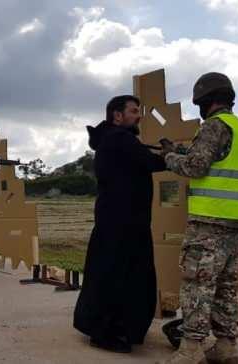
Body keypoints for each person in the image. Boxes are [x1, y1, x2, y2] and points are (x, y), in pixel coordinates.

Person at [160, 73, 238, 364]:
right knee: (225, 286)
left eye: (200, 104)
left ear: (207, 101)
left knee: (196, 284)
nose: (199, 111)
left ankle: (191, 349)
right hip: (236, 224)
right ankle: (226, 348)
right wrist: (179, 148)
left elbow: (196, 167)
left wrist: (169, 158)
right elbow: (216, 159)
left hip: (208, 224)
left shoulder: (213, 126)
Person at [73, 95, 166, 353]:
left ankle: (106, 327)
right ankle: (107, 332)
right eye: (134, 111)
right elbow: (151, 162)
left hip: (118, 220)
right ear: (117, 115)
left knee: (109, 274)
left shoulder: (111, 139)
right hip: (124, 222)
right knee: (121, 277)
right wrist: (174, 156)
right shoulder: (120, 138)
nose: (139, 116)